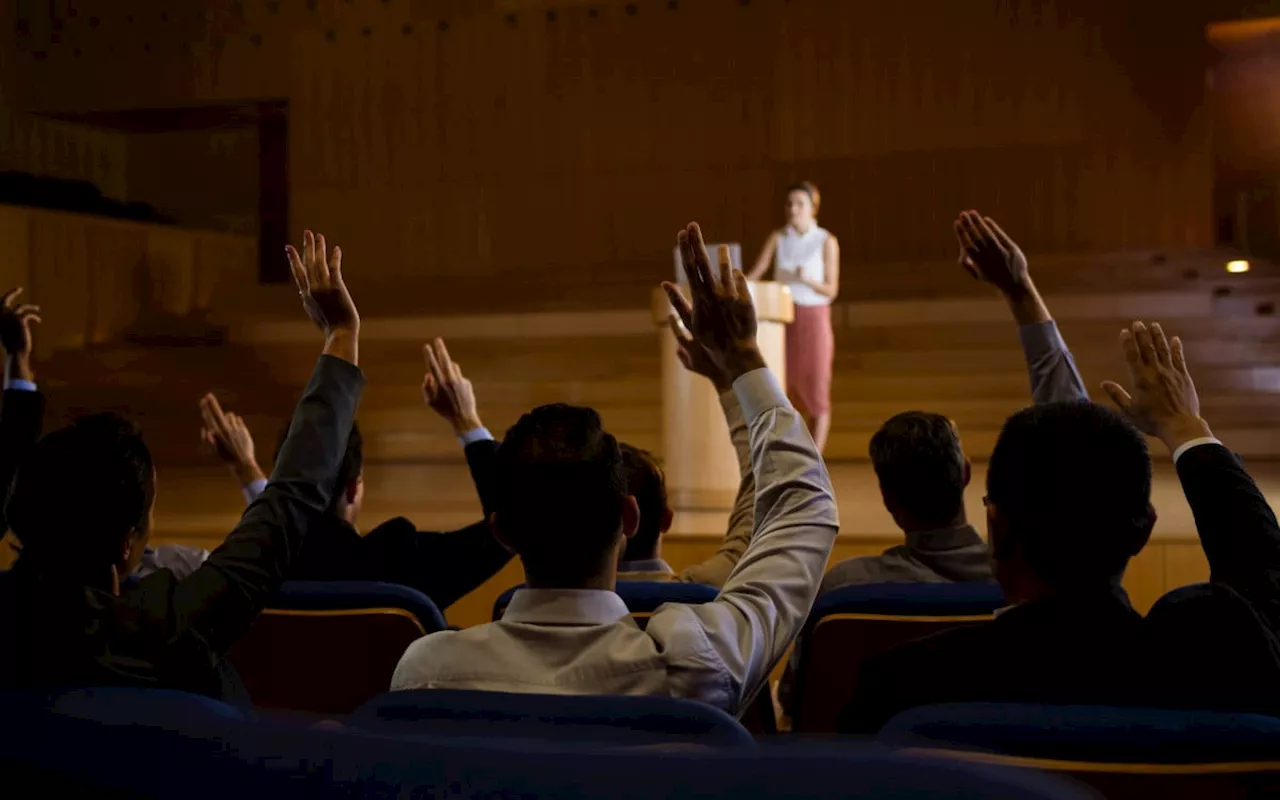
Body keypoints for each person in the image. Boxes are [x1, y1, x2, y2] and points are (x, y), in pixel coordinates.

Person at [391, 223, 840, 716]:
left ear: (503, 532)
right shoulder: (695, 665)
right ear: (630, 518)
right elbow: (804, 509)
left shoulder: (426, 674)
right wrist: (744, 362)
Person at [837, 320, 1280, 732]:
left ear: (997, 526)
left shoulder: (898, 686)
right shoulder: (1216, 666)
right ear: (1143, 531)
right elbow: (1265, 574)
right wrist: (1186, 428)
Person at [0, 230, 365, 699]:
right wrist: (342, 334)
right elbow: (288, 502)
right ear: (126, 543)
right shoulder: (163, 627)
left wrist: (17, 370)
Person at [137, 341, 512, 612]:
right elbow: (513, 525)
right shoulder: (398, 558)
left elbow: (278, 528)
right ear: (353, 487)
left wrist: (248, 470)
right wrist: (466, 421)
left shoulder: (245, 569)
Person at [822, 211, 1085, 590]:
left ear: (887, 499)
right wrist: (1020, 290)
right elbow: (1078, 441)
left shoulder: (847, 589)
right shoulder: (1031, 580)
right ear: (965, 472)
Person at [613, 317, 755, 586]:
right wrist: (727, 380)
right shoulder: (714, 592)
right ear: (666, 519)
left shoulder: (519, 610)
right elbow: (766, 487)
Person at [747, 181, 839, 452]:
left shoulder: (826, 240)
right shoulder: (779, 237)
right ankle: (790, 453)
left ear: (813, 208)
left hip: (814, 318)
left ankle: (815, 457)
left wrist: (807, 279)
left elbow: (832, 289)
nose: (793, 209)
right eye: (789, 204)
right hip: (782, 320)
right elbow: (758, 271)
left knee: (816, 387)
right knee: (783, 386)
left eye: (800, 204)